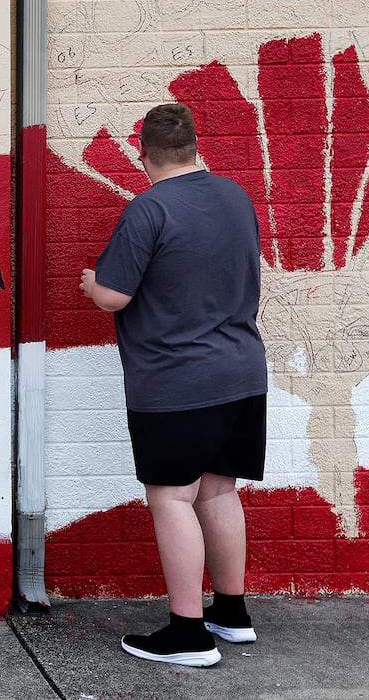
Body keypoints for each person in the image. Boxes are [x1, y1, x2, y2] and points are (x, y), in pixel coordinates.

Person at [79, 103, 267, 668]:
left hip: (175, 378)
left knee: (172, 497)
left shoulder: (148, 208)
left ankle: (188, 633)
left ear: (145, 157)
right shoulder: (236, 196)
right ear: (193, 148)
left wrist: (91, 283)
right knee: (220, 489)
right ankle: (231, 614)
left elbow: (115, 294)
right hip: (242, 370)